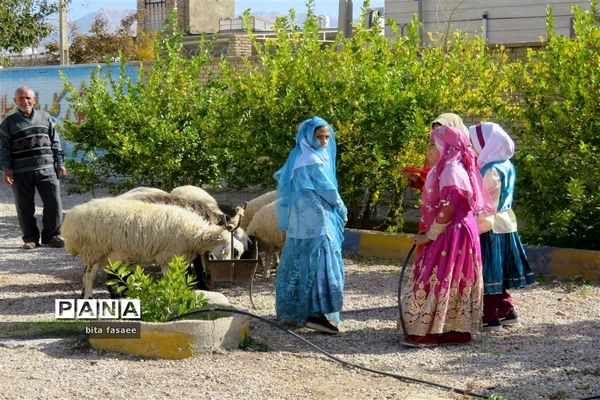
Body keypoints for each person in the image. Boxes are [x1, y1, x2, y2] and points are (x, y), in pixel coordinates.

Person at [399, 125, 493, 347]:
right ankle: (455, 330)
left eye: (433, 144)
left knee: (438, 276)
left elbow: (449, 208)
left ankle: (428, 332)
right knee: (451, 278)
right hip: (454, 231)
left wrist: (429, 235)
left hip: (452, 233)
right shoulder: (447, 168)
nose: (429, 150)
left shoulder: (452, 170)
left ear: (447, 147)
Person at [273, 116, 347, 334]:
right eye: (319, 137)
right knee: (321, 265)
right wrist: (342, 209)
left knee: (300, 264)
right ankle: (318, 314)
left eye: (327, 137)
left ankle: (300, 311)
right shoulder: (311, 161)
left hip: (301, 224)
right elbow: (328, 191)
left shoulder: (301, 157)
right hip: (318, 223)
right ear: (308, 137)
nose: (324, 142)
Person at [468, 122, 535, 331]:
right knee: (501, 269)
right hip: (507, 221)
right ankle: (506, 309)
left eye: (475, 142)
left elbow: (482, 200)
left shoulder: (489, 170)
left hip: (490, 224)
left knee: (489, 269)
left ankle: (489, 316)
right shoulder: (507, 165)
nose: (473, 146)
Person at [0, 87, 67, 249]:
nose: (25, 101)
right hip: (21, 172)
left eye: (28, 98)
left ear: (34, 100)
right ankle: (30, 238)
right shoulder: (8, 123)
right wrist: (6, 169)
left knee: (54, 203)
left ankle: (51, 236)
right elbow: (3, 148)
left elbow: (55, 142)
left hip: (48, 169)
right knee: (25, 206)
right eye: (21, 98)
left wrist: (60, 164)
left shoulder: (46, 118)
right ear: (15, 101)